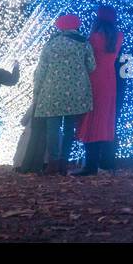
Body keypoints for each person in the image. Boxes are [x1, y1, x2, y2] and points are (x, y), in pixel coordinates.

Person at [28, 14, 95, 175]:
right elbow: (92, 66)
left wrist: (36, 91)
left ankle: (53, 163)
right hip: (75, 92)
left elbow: (41, 70)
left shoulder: (51, 43)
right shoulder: (84, 43)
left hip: (51, 92)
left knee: (53, 128)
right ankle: (64, 163)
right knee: (69, 128)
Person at [73, 6, 124, 176]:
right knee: (105, 121)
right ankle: (106, 163)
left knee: (91, 120)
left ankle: (90, 165)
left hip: (94, 79)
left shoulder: (94, 38)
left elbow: (88, 60)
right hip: (110, 81)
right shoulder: (118, 37)